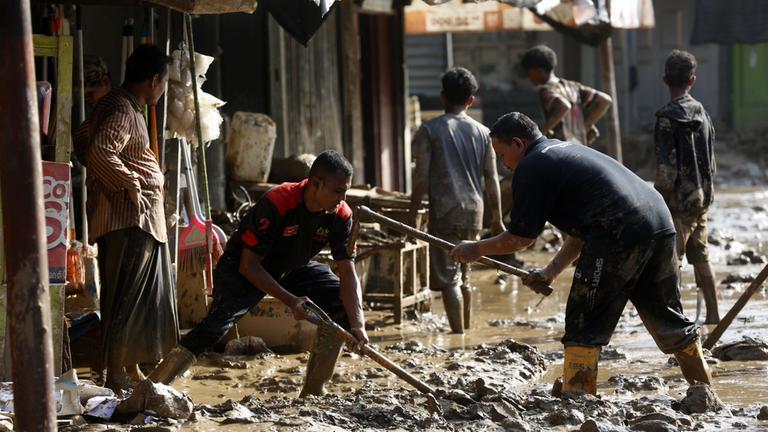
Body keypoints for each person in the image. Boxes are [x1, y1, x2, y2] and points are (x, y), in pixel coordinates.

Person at [450, 112, 711, 395]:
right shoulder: (563, 151)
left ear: (517, 144)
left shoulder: (533, 166)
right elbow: (583, 229)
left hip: (619, 233)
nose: (504, 164)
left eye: (502, 155)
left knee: (583, 322)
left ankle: (578, 400)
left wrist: (476, 249)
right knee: (668, 319)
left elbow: (520, 237)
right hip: (659, 223)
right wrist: (551, 271)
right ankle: (705, 394)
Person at [150, 150, 369, 397]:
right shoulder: (278, 202)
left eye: (346, 191)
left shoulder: (341, 214)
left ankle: (314, 390)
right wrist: (292, 301)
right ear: (316, 184)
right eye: (338, 191)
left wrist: (358, 325)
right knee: (214, 328)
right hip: (243, 268)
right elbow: (249, 265)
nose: (343, 198)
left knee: (340, 305)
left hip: (291, 267)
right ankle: (152, 387)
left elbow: (347, 270)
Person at [87, 44, 178, 391]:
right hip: (128, 221)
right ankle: (115, 372)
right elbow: (98, 151)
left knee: (136, 299)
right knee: (124, 298)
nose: (164, 89)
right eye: (165, 82)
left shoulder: (117, 105)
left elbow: (84, 140)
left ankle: (129, 366)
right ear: (154, 80)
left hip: (134, 221)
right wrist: (130, 182)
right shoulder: (123, 108)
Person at [408, 67, 504, 334]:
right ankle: (466, 330)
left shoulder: (430, 130)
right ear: (471, 100)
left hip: (445, 211)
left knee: (450, 277)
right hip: (475, 210)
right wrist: (496, 219)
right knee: (465, 274)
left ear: (442, 96)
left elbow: (420, 178)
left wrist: (412, 213)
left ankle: (459, 335)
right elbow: (492, 179)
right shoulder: (485, 133)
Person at [655, 50, 719, 325]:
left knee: (672, 262)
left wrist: (657, 199)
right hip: (701, 198)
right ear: (692, 80)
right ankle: (714, 316)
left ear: (664, 80)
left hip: (677, 204)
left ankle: (676, 320)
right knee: (701, 257)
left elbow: (667, 171)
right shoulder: (702, 113)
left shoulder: (666, 118)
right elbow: (712, 160)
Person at [521, 45, 612, 146]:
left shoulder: (546, 90)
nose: (529, 78)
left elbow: (564, 106)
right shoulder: (574, 86)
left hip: (562, 149)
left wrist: (543, 132)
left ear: (539, 70)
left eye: (529, 73)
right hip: (581, 147)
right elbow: (605, 100)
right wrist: (588, 125)